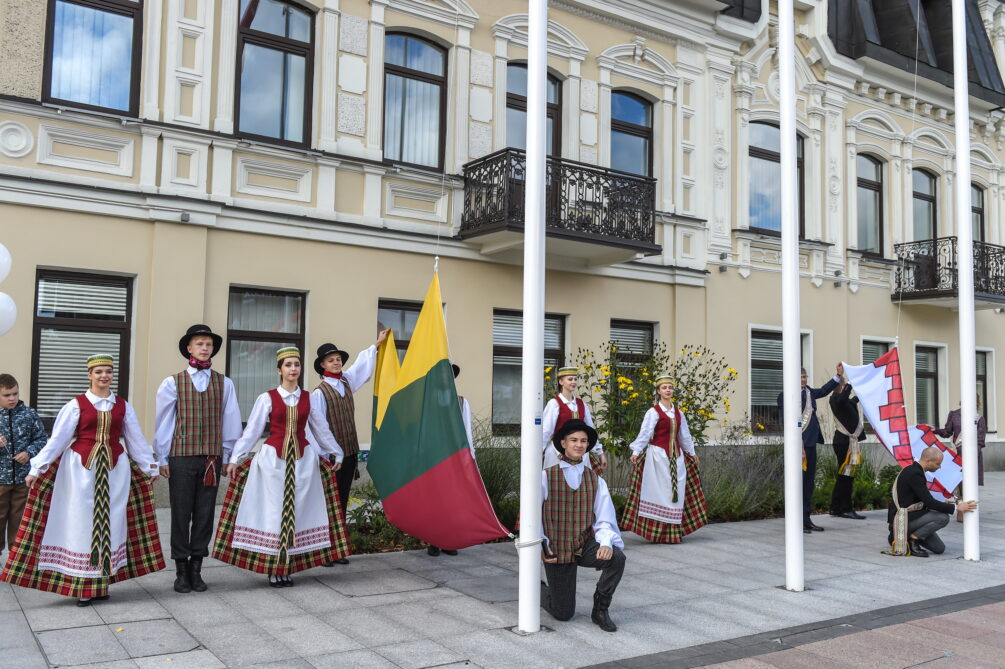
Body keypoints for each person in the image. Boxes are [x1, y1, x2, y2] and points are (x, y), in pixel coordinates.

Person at [0, 355, 163, 606]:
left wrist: (149, 467)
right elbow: (58, 440)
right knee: (83, 525)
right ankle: (83, 585)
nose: (104, 376)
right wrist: (37, 468)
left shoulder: (122, 406)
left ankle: (101, 582)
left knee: (110, 523)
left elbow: (136, 440)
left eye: (108, 371)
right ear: (89, 375)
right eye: (98, 372)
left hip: (115, 471)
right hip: (80, 472)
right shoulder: (76, 405)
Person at [214, 347, 350, 587]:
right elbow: (252, 431)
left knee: (297, 513)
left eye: (296, 364)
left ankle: (288, 566)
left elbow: (321, 429)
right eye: (288, 365)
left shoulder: (308, 398)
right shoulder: (267, 398)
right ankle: (275, 567)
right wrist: (235, 457)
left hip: (303, 462)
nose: (293, 369)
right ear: (279, 370)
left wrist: (336, 451)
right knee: (276, 513)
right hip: (273, 463)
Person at [154, 324, 242, 594]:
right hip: (181, 457)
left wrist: (229, 455)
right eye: (200, 344)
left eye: (208, 344)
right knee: (181, 513)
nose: (205, 348)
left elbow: (231, 422)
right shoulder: (172, 382)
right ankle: (181, 570)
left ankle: (196, 568)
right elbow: (164, 422)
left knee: (205, 514)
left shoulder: (225, 383)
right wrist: (162, 458)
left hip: (211, 459)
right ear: (189, 348)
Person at [310, 329, 388, 565]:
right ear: (322, 365)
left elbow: (360, 367)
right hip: (331, 458)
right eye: (331, 360)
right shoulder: (319, 393)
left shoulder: (346, 382)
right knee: (328, 503)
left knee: (342, 501)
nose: (336, 362)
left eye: (338, 359)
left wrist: (376, 345)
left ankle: (337, 549)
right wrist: (327, 455)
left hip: (350, 453)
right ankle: (324, 551)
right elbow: (318, 427)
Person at [540, 419, 625, 633]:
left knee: (617, 558)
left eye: (583, 441)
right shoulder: (546, 476)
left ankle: (600, 610)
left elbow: (604, 517)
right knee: (563, 613)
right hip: (557, 549)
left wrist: (605, 542)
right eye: (574, 440)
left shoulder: (596, 480)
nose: (579, 445)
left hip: (584, 545)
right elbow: (532, 516)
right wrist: (543, 545)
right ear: (563, 443)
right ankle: (538, 590)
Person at [621, 374, 707, 543]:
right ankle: (656, 532)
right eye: (664, 388)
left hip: (677, 458)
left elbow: (684, 436)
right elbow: (645, 432)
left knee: (675, 493)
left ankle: (673, 532)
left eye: (670, 387)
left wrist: (691, 453)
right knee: (659, 494)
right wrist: (636, 451)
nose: (668, 390)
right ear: (658, 391)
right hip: (658, 458)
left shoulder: (679, 413)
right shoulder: (653, 412)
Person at [777, 365, 840, 534]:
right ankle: (796, 521)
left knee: (808, 484)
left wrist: (837, 376)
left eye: (805, 377)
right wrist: (799, 445)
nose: (803, 380)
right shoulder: (786, 396)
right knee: (796, 484)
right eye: (800, 377)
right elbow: (787, 423)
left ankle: (806, 519)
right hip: (797, 447)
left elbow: (824, 391)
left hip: (811, 444)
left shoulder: (809, 392)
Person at [887, 446, 977, 557]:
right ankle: (913, 539)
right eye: (938, 464)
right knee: (943, 518)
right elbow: (929, 502)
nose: (939, 467)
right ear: (928, 461)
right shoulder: (915, 473)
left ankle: (911, 537)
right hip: (902, 521)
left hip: (910, 517)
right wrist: (957, 507)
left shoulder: (914, 470)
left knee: (939, 548)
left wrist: (943, 504)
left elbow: (922, 500)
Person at [428, 363, 474, 557]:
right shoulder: (427, 401)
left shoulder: (462, 402)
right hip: (433, 455)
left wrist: (469, 456)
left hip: (454, 456)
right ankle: (433, 539)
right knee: (434, 499)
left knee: (453, 499)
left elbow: (467, 431)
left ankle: (449, 540)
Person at [0, 374, 47, 558]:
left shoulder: (29, 414)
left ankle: (17, 560)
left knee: (20, 521)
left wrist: (29, 452)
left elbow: (42, 439)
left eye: (15, 393)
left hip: (23, 479)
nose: (12, 398)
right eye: (6, 395)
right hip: (0, 481)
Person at [541, 367, 607, 472]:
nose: (574, 382)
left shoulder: (581, 404)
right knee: (556, 480)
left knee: (581, 479)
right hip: (557, 452)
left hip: (579, 453)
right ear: (561, 381)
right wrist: (538, 452)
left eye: (575, 379)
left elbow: (590, 429)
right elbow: (546, 431)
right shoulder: (554, 404)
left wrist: (600, 453)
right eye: (570, 379)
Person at [828, 374, 866, 520]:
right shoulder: (835, 399)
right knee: (846, 476)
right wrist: (850, 384)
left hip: (846, 442)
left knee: (844, 476)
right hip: (844, 443)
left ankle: (836, 507)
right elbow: (844, 399)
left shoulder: (843, 400)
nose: (846, 387)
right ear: (840, 387)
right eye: (844, 385)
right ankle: (846, 508)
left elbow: (851, 401)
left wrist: (862, 392)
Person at [934, 398, 987, 489]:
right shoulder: (954, 415)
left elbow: (980, 440)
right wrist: (935, 430)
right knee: (956, 483)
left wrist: (972, 455)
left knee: (970, 484)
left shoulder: (979, 418)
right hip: (956, 453)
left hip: (972, 454)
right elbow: (947, 432)